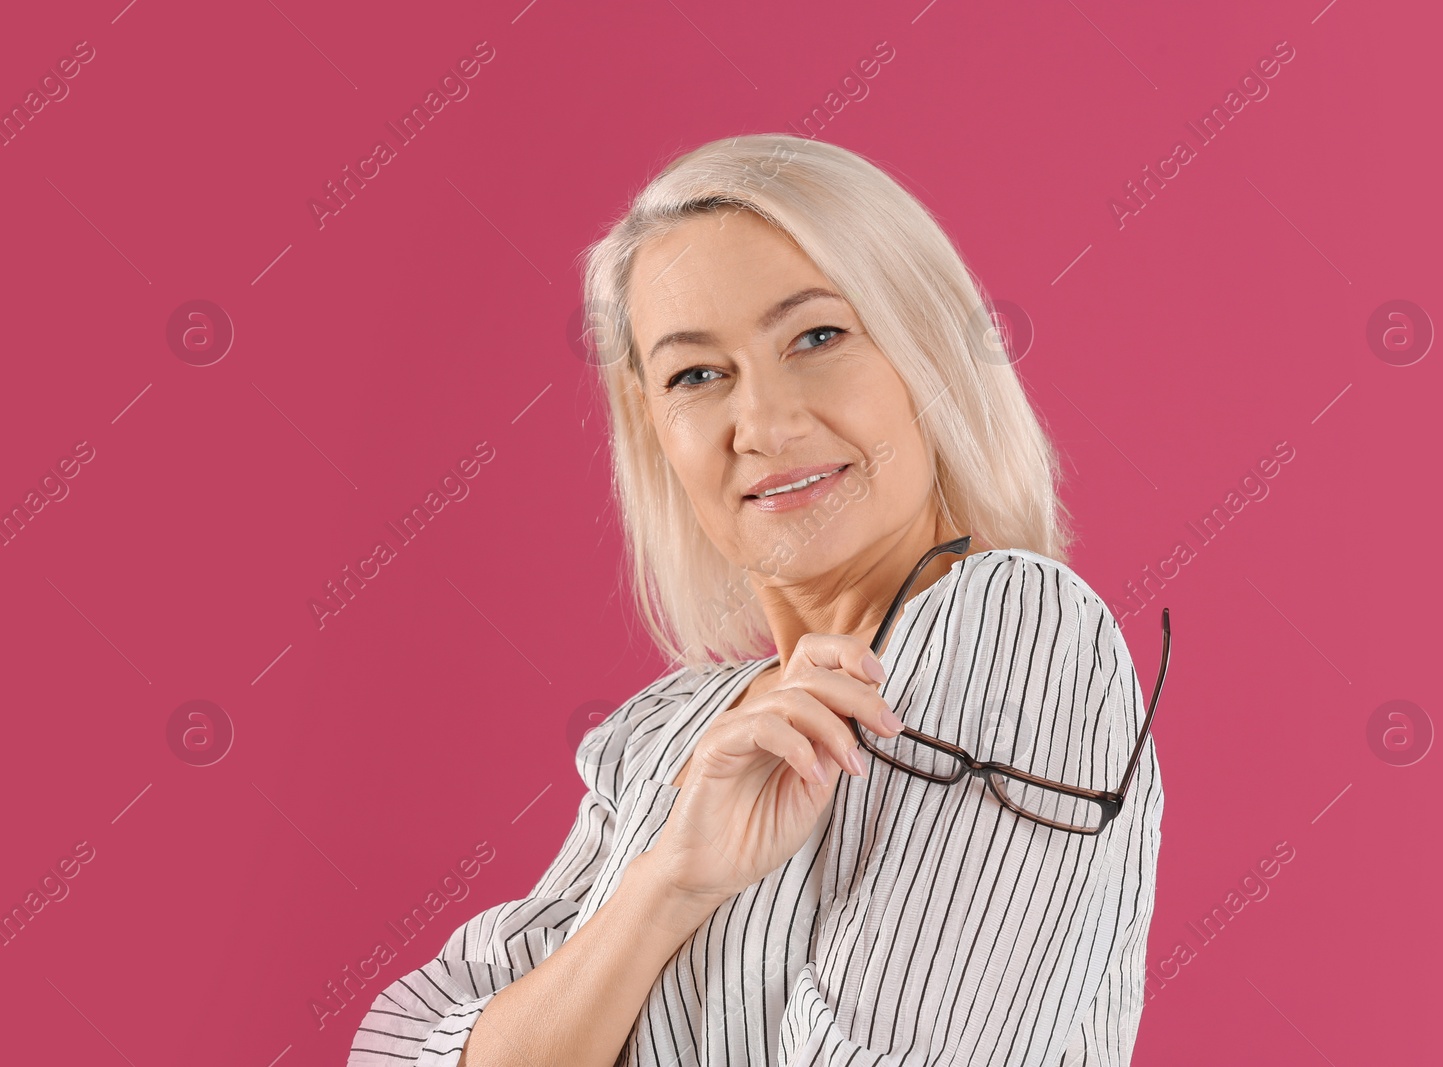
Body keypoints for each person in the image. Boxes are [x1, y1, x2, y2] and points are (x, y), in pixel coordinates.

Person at [348, 133, 1164, 1067]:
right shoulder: (663, 732)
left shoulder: (1018, 626)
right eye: (697, 374)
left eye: (817, 337)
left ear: (927, 350)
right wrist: (669, 886)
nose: (764, 425)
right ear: (653, 424)